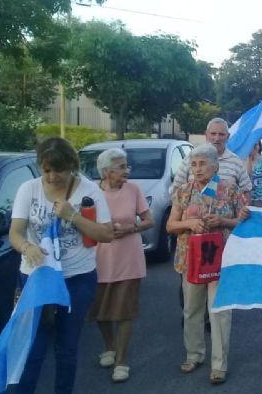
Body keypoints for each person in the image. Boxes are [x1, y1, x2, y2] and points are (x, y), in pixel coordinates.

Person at [9, 137, 114, 394]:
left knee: (66, 349)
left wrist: (73, 215)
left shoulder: (89, 191)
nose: (53, 176)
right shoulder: (28, 189)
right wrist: (27, 247)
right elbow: (15, 233)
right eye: (47, 170)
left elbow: (106, 234)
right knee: (31, 349)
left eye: (60, 170)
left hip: (76, 279)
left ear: (72, 166)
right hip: (36, 279)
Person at [166, 143, 248, 385]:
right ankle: (194, 354)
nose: (197, 169)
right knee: (192, 309)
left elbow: (243, 222)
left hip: (220, 261)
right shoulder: (183, 191)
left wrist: (223, 220)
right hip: (190, 260)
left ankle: (219, 364)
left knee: (219, 312)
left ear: (215, 166)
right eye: (193, 164)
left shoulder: (230, 191)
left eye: (202, 164)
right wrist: (189, 224)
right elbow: (171, 226)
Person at [89, 148, 154, 382]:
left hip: (129, 258)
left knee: (125, 312)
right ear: (106, 171)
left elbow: (149, 220)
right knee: (100, 310)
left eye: (127, 166)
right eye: (121, 167)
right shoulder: (91, 193)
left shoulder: (133, 189)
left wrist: (132, 228)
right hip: (98, 258)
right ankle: (110, 346)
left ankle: (122, 360)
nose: (126, 171)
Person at [171, 117, 252, 201]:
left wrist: (241, 211)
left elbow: (246, 191)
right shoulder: (190, 159)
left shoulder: (236, 162)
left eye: (221, 134)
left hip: (226, 213)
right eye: (213, 134)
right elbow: (176, 189)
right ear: (206, 134)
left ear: (227, 136)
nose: (217, 138)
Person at [246, 141, 262, 207]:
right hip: (248, 197)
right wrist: (249, 157)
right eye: (252, 145)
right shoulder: (244, 159)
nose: (255, 147)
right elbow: (248, 176)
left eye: (256, 144)